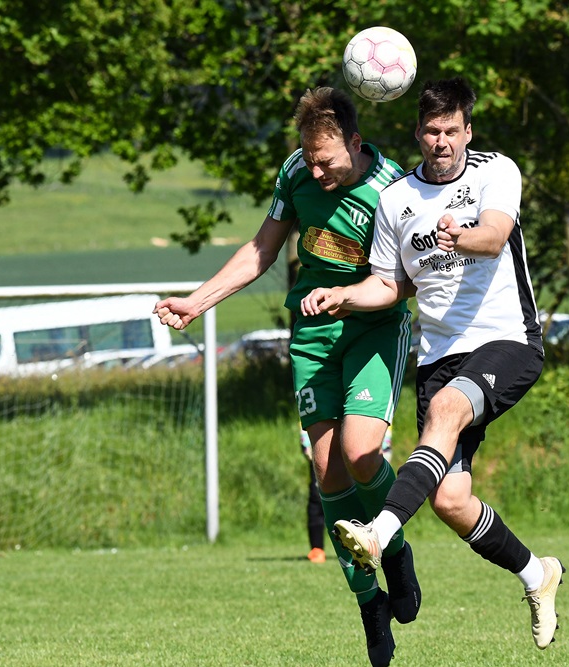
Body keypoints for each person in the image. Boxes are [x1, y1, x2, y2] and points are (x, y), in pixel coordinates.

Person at [154, 87, 420, 667]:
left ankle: (395, 550)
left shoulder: (396, 189)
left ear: (355, 141)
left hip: (375, 329)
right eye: (309, 158)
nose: (316, 171)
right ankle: (369, 604)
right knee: (326, 470)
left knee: (361, 453)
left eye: (326, 160)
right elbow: (261, 249)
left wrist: (349, 295)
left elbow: (408, 282)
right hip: (314, 332)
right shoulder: (296, 170)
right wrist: (197, 302)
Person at [300, 77, 565, 650]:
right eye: (430, 131)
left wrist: (459, 236)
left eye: (451, 130)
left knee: (447, 409)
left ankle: (380, 533)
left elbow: (494, 237)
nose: (440, 141)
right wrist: (343, 295)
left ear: (468, 131)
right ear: (417, 133)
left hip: (506, 340)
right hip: (440, 355)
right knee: (450, 500)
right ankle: (537, 574)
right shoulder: (396, 199)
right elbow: (388, 284)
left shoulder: (497, 171)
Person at [302, 424, 393, 565]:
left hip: (367, 440)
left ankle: (378, 541)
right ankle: (317, 548)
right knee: (318, 496)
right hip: (321, 434)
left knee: (368, 494)